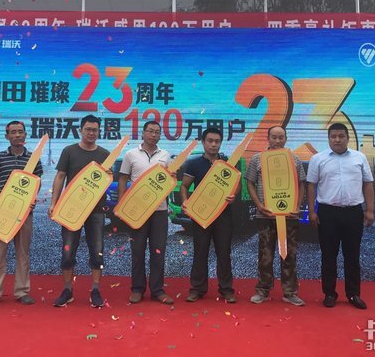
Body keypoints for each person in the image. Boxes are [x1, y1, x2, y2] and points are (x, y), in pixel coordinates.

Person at [307, 122, 375, 310]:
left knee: (352, 255)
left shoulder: (359, 157)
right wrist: (312, 211)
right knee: (328, 255)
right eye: (333, 136)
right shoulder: (318, 159)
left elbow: (368, 184)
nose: (337, 140)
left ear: (348, 138)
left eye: (341, 136)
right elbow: (311, 185)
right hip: (327, 212)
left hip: (353, 212)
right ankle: (329, 293)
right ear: (328, 138)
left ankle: (353, 294)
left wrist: (370, 210)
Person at [48, 115, 110, 308]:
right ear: (81, 130)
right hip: (71, 209)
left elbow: (107, 181)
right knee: (68, 251)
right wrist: (53, 203)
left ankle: (96, 290)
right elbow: (60, 176)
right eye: (88, 129)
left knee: (97, 251)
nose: (91, 133)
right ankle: (67, 290)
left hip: (96, 210)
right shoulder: (69, 151)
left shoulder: (105, 154)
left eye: (95, 130)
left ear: (99, 132)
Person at [0, 121, 43, 307]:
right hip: (2, 212)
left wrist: (32, 200)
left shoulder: (33, 159)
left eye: (20, 132)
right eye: (13, 132)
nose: (17, 135)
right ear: (7, 136)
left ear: (25, 135)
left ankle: (22, 291)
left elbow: (36, 183)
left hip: (24, 213)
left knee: (23, 253)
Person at [245, 126, 306, 306]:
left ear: (286, 138)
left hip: (289, 217)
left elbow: (301, 184)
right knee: (265, 255)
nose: (277, 141)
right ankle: (262, 290)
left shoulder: (294, 159)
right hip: (265, 216)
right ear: (268, 138)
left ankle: (290, 292)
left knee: (289, 255)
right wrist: (259, 205)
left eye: (281, 137)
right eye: (274, 137)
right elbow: (250, 182)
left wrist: (296, 206)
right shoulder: (257, 159)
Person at [181, 127, 239, 303]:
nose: (213, 144)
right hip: (201, 215)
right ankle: (197, 289)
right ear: (203, 142)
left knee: (224, 252)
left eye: (217, 141)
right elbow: (184, 186)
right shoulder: (194, 164)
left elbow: (237, 184)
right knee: (200, 252)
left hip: (223, 215)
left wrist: (234, 195)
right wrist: (185, 202)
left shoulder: (228, 163)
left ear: (220, 143)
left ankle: (226, 289)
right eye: (210, 141)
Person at [118, 121, 174, 305]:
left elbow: (169, 181)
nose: (153, 135)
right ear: (143, 133)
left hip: (159, 210)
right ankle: (137, 289)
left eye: (157, 132)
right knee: (137, 250)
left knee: (158, 251)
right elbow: (123, 179)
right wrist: (121, 204)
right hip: (137, 210)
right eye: (150, 131)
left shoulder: (165, 155)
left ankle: (157, 290)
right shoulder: (130, 154)